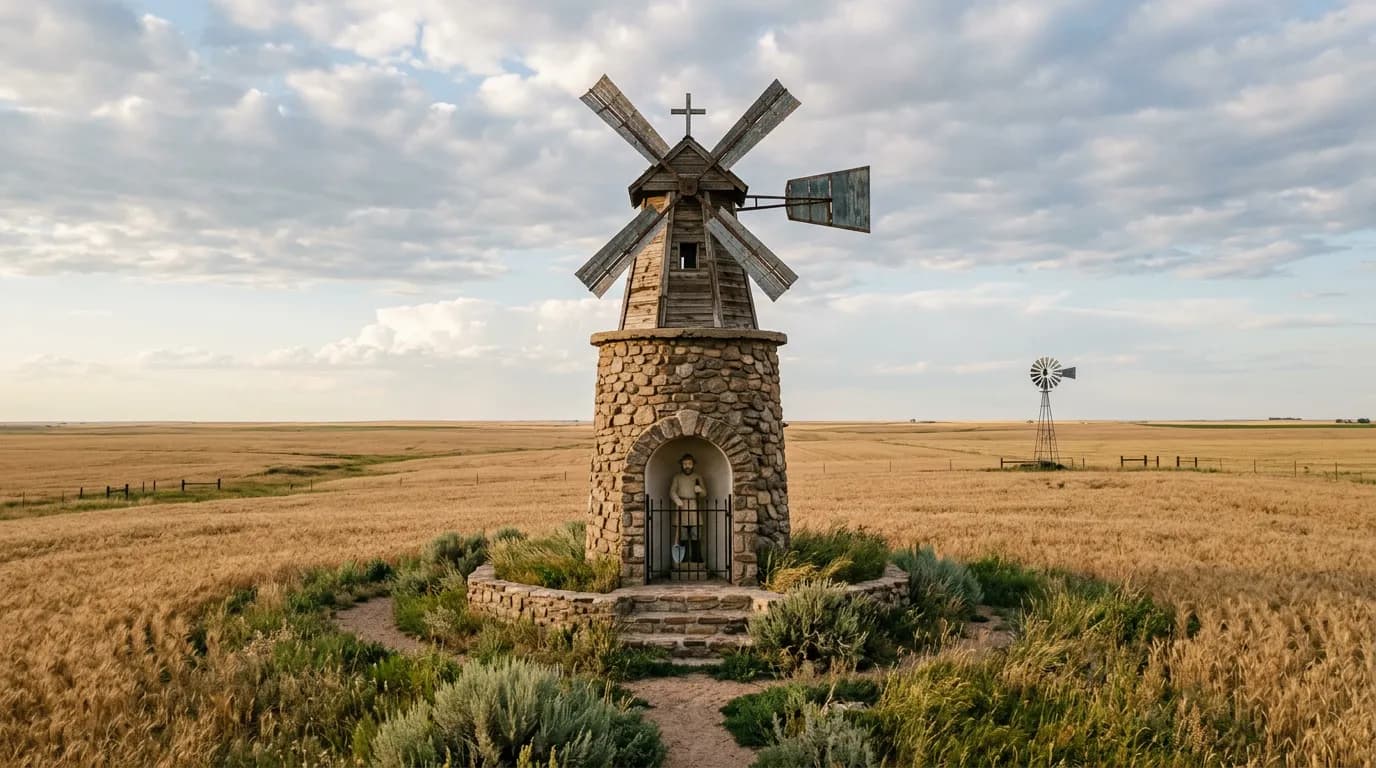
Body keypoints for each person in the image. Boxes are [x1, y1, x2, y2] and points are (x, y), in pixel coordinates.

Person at [668, 453, 707, 563]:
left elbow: (704, 493)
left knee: (696, 533)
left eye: (689, 463)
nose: (687, 466)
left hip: (694, 506)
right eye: (685, 464)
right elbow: (672, 491)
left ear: (693, 464)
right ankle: (683, 559)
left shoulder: (698, 477)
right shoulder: (677, 477)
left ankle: (696, 558)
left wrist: (700, 491)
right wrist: (677, 500)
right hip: (682, 506)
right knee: (683, 534)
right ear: (681, 465)